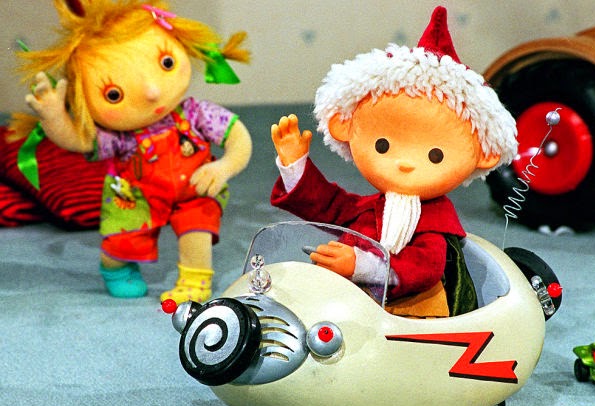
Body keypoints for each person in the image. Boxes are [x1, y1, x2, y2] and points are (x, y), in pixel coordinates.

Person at [270, 6, 517, 317]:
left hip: (409, 313)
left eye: (435, 156)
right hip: (352, 304)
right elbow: (328, 206)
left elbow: (425, 267)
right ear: (344, 127)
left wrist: (362, 265)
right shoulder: (371, 209)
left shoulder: (434, 222)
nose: (405, 164)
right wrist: (295, 164)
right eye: (383, 146)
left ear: (483, 154)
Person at [17, 0, 252, 303]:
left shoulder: (196, 114)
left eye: (166, 63)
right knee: (121, 244)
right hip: (137, 198)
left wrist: (224, 166)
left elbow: (237, 136)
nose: (152, 92)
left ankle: (195, 281)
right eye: (113, 94)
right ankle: (115, 269)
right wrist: (55, 118)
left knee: (198, 227)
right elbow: (80, 141)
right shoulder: (120, 137)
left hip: (194, 189)